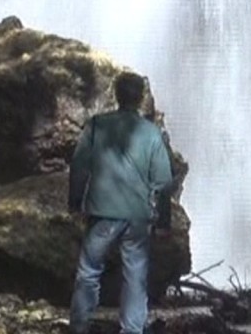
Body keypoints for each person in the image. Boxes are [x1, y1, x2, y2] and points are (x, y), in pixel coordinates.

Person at [68, 71, 174, 334]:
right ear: (140, 99)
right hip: (137, 217)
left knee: (89, 271)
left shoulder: (96, 125)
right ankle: (132, 329)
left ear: (116, 95)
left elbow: (79, 166)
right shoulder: (151, 134)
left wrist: (75, 202)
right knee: (135, 277)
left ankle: (79, 327)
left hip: (102, 212)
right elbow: (163, 182)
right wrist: (163, 222)